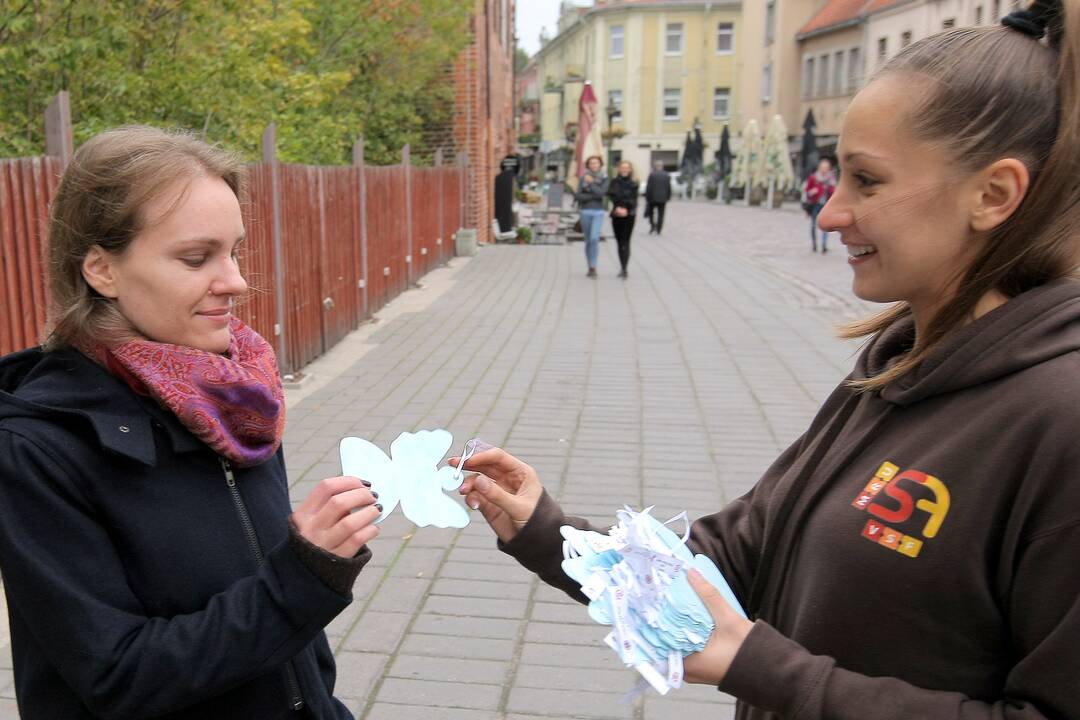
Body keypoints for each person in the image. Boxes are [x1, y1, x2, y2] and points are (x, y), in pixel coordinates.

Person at [455, 1, 1080, 717]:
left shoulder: (1060, 419)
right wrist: (548, 530)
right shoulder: (897, 367)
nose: (829, 212)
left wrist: (764, 667)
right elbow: (739, 551)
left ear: (993, 194)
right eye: (835, 178)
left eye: (866, 181)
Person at [0, 126, 382, 718]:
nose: (234, 280)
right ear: (101, 270)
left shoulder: (236, 400)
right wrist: (303, 576)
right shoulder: (36, 450)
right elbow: (118, 676)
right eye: (196, 257)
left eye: (234, 250)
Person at [574, 155, 609, 277]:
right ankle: (591, 266)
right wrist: (593, 195)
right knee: (588, 240)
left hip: (598, 212)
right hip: (585, 211)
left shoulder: (604, 178)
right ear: (588, 165)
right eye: (591, 163)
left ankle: (594, 265)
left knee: (595, 238)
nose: (594, 165)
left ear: (600, 165)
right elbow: (578, 196)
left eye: (596, 163)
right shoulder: (583, 178)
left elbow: (601, 193)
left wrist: (592, 184)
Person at [608, 160, 639, 278]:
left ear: (630, 170)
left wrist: (625, 208)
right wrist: (618, 207)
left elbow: (634, 199)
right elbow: (612, 195)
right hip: (616, 213)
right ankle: (622, 265)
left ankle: (624, 268)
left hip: (629, 214)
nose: (625, 169)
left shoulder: (633, 183)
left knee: (626, 241)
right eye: (622, 167)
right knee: (619, 240)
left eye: (627, 167)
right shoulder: (614, 182)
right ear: (619, 169)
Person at [802, 157, 836, 252]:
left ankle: (824, 245)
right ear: (819, 168)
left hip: (826, 205)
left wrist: (831, 187)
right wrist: (812, 191)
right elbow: (807, 190)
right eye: (823, 167)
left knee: (825, 225)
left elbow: (834, 192)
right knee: (813, 225)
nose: (825, 169)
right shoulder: (813, 177)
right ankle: (814, 244)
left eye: (826, 168)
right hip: (814, 204)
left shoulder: (830, 178)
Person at [644, 161, 672, 234]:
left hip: (652, 198)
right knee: (661, 214)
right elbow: (668, 187)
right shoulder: (666, 175)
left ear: (655, 167)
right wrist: (668, 196)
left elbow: (649, 187)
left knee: (651, 213)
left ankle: (653, 226)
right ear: (662, 166)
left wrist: (647, 197)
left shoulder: (652, 175)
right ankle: (659, 229)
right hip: (663, 198)